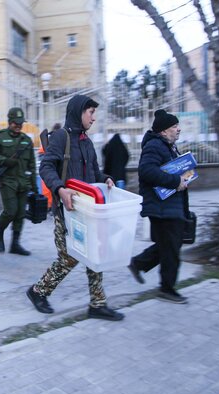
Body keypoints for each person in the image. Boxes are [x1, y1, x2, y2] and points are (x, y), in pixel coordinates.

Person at [25, 94, 124, 321]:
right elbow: (46, 167)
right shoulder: (61, 137)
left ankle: (97, 304)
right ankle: (37, 291)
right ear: (78, 112)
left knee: (94, 253)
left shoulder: (87, 142)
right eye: (91, 112)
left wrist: (106, 178)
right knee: (69, 257)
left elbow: (94, 174)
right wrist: (60, 189)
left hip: (87, 210)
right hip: (67, 211)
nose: (94, 117)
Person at [128, 109, 189, 304]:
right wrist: (175, 182)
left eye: (177, 126)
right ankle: (167, 289)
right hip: (161, 206)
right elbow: (146, 171)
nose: (178, 129)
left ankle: (138, 263)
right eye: (174, 127)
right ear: (163, 131)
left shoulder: (168, 146)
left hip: (170, 205)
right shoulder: (155, 146)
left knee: (170, 245)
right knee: (171, 248)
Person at [0, 107, 37, 256]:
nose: (18, 125)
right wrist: (5, 161)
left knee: (20, 214)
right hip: (7, 181)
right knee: (11, 211)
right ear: (9, 122)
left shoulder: (27, 141)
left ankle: (15, 244)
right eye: (16, 123)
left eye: (21, 123)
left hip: (23, 183)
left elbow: (32, 166)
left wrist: (34, 187)